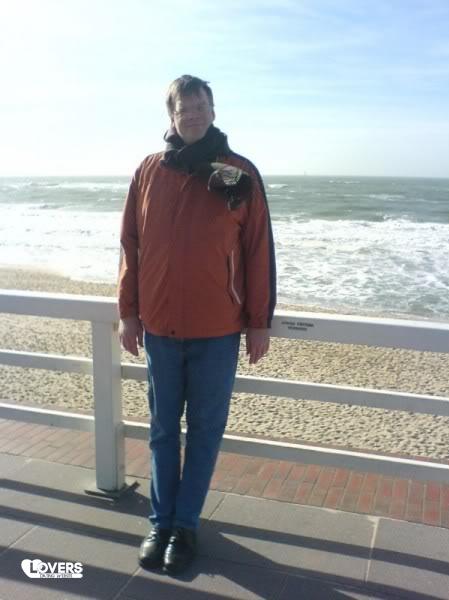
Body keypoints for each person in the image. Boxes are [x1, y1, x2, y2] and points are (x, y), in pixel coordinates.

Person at [118, 74, 276, 575]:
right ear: (171, 115)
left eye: (200, 106)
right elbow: (130, 246)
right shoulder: (148, 171)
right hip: (159, 329)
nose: (193, 114)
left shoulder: (239, 173)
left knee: (204, 433)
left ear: (213, 110)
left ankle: (184, 527)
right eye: (184, 108)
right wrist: (127, 312)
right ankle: (159, 523)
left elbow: (258, 250)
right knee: (163, 431)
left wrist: (259, 321)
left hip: (218, 331)